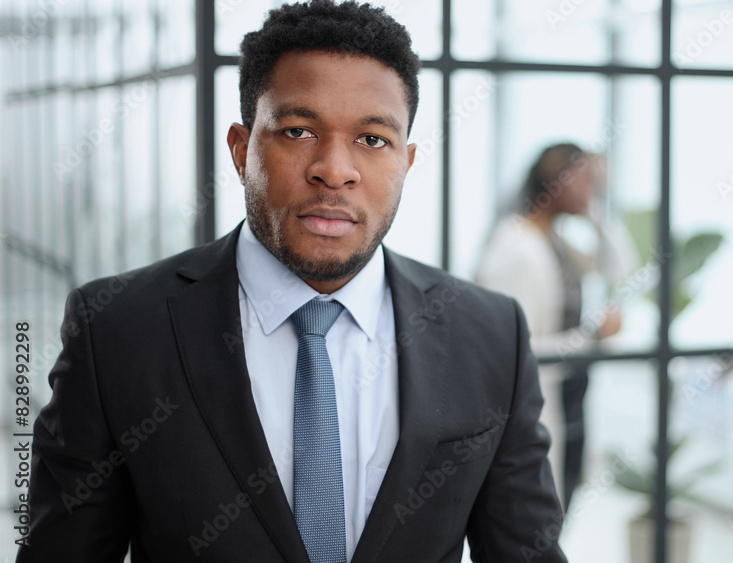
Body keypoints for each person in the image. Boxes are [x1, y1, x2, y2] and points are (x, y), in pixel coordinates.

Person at [17, 2, 566, 562]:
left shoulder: (491, 334)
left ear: (407, 160)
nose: (334, 168)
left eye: (373, 140)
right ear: (240, 148)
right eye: (299, 130)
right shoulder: (117, 329)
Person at [476, 143, 636, 510]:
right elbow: (515, 350)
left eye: (596, 183)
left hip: (568, 396)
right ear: (553, 181)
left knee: (562, 505)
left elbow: (621, 267)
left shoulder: (554, 239)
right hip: (537, 401)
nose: (592, 190)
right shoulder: (517, 249)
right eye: (584, 181)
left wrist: (596, 209)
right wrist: (592, 337)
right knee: (541, 515)